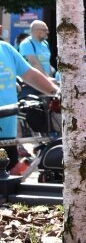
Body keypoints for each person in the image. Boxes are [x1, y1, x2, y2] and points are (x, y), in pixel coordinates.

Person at [0, 40, 59, 172]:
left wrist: (56, 92)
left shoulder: (5, 49)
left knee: (7, 178)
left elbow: (30, 74)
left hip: (7, 134)